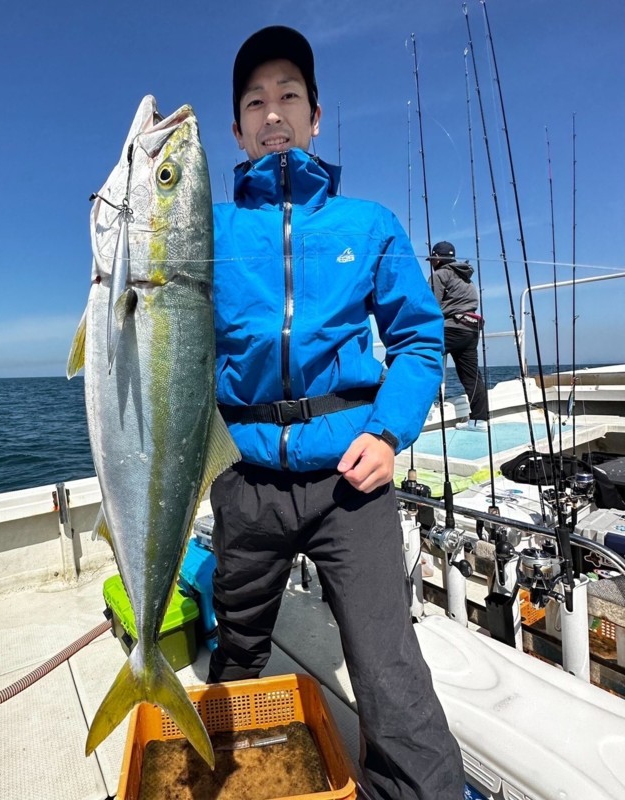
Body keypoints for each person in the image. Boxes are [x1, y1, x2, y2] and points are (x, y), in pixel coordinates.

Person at [209, 25, 465, 800]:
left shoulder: (369, 223)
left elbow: (421, 339)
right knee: (238, 645)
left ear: (317, 115)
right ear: (238, 127)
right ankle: (221, 775)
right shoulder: (209, 230)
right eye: (256, 100)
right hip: (246, 478)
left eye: (289, 95)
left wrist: (390, 434)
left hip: (352, 478)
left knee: (389, 669)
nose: (273, 111)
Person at [428, 241, 489, 431]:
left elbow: (430, 306)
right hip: (471, 330)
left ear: (437, 258)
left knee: (421, 357)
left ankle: (423, 409)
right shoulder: (467, 279)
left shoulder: (439, 274)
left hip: (452, 328)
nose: (431, 263)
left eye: (432, 259)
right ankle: (479, 420)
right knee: (471, 376)